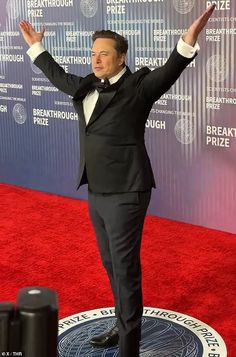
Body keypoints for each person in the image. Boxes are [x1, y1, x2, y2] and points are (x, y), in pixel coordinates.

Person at [19, 5, 215, 356]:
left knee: (125, 268)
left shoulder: (139, 86)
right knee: (111, 264)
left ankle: (129, 346)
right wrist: (36, 47)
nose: (95, 60)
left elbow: (170, 70)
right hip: (97, 189)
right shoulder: (85, 87)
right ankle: (121, 322)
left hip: (127, 190)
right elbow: (58, 75)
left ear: (121, 57)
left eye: (103, 54)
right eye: (93, 54)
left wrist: (187, 41)